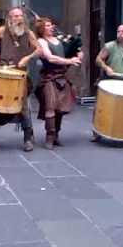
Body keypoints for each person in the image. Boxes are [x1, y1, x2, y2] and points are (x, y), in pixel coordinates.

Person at [0, 6, 39, 152]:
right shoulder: (3, 30)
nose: (18, 18)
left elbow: (39, 49)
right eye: (15, 16)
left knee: (23, 105)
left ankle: (28, 138)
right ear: (10, 19)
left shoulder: (28, 33)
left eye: (20, 16)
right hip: (3, 72)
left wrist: (28, 57)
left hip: (20, 74)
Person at [35, 18, 81, 149]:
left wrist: (78, 52)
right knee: (50, 108)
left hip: (62, 77)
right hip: (49, 78)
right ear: (42, 29)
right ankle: (49, 137)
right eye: (48, 25)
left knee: (61, 109)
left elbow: (72, 51)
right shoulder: (41, 41)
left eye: (51, 25)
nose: (51, 27)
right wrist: (69, 61)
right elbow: (50, 57)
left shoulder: (59, 40)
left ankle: (56, 136)